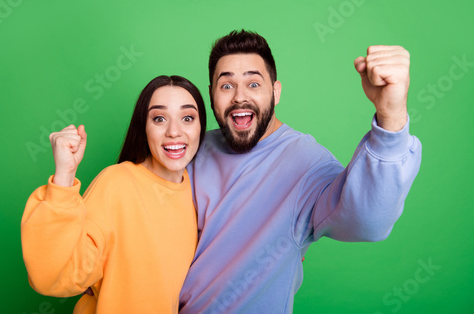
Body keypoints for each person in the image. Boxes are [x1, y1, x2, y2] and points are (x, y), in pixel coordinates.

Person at [178, 30, 422, 313]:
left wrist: (390, 115)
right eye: (226, 86)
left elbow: (369, 221)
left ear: (275, 91)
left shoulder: (306, 163)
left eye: (254, 84)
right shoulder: (192, 149)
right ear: (211, 94)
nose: (239, 97)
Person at [21, 75, 207, 313]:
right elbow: (53, 278)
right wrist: (64, 176)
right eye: (159, 118)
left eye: (187, 118)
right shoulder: (117, 183)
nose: (174, 131)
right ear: (144, 127)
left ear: (201, 127)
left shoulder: (198, 190)